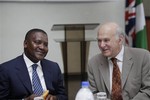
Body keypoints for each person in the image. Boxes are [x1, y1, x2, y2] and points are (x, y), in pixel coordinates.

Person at [87, 22, 150, 100]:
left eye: (106, 40)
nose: (102, 45)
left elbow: (147, 90)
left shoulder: (143, 57)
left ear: (120, 40)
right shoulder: (93, 63)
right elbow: (91, 93)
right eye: (99, 41)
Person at [0, 28, 68, 100]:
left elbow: (63, 96)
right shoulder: (6, 69)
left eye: (46, 44)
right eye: (37, 42)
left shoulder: (54, 67)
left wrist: (55, 98)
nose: (42, 47)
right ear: (25, 44)